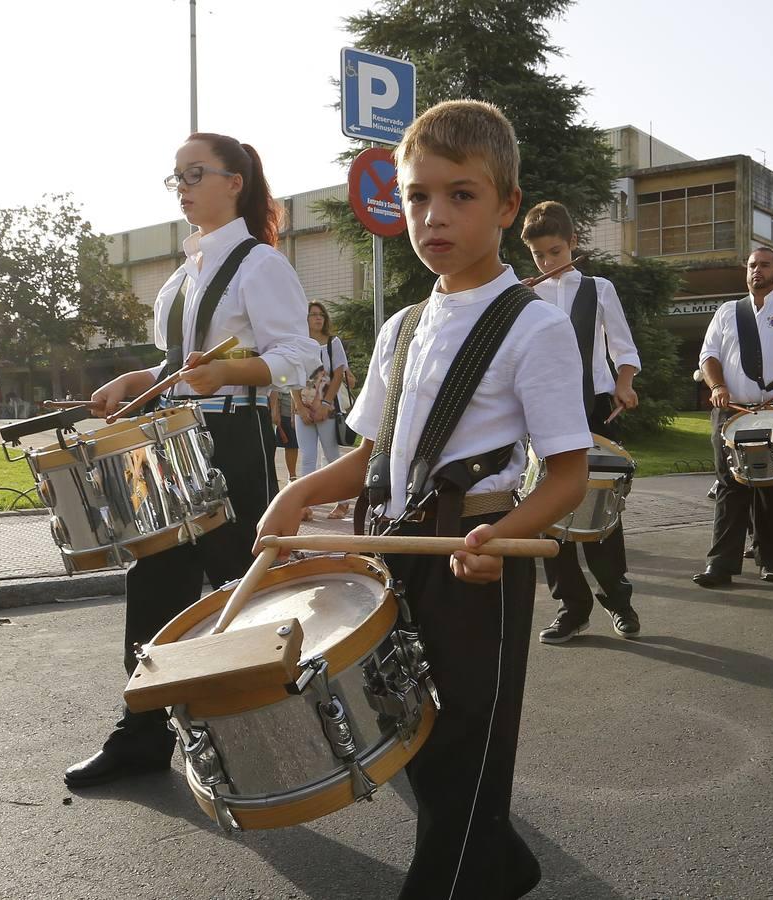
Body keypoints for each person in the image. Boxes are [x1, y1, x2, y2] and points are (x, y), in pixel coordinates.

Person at [256, 100, 590, 899]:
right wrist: (294, 498)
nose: (434, 215)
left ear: (507, 206)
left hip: (481, 560)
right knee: (419, 736)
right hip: (396, 557)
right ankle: (503, 866)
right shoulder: (404, 325)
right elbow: (368, 458)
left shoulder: (534, 327)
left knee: (472, 745)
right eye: (417, 196)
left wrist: (503, 534)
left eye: (462, 195)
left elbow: (569, 474)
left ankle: (461, 877)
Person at [63, 132, 313, 789]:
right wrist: (133, 379)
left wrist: (232, 370)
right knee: (153, 591)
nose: (182, 186)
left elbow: (299, 357)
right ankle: (141, 736)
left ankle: (319, 708)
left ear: (235, 181)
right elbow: (178, 366)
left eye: (195, 173)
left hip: (234, 440)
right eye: (175, 176)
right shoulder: (181, 277)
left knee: (249, 591)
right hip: (167, 442)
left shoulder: (261, 265)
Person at [520, 201, 643, 644]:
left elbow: (624, 350)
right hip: (544, 410)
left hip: (592, 408)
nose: (548, 263)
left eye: (555, 252)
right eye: (539, 256)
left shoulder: (598, 288)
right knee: (550, 511)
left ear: (573, 244)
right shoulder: (523, 294)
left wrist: (624, 384)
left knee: (601, 507)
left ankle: (619, 599)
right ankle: (572, 606)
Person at [694, 247, 773, 587]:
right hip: (732, 411)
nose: (757, 271)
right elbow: (708, 355)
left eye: (765, 265)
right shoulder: (726, 312)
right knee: (729, 485)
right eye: (752, 265)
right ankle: (720, 564)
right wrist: (718, 385)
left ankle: (770, 560)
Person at [294, 301, 354, 520]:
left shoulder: (333, 343)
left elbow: (339, 375)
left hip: (326, 408)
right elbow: (292, 377)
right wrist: (300, 407)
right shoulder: (298, 344)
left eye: (321, 315)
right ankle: (305, 504)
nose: (318, 318)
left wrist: (326, 404)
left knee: (332, 456)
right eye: (313, 315)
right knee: (308, 457)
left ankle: (343, 502)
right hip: (303, 409)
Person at [269, 381, 299, 488]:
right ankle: (270, 473)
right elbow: (276, 387)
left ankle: (292, 476)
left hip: (296, 404)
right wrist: (275, 410)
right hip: (281, 405)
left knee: (292, 444)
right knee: (269, 444)